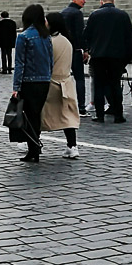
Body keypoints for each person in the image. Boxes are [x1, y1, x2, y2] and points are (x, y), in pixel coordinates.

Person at [12, 4, 54, 162]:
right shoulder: (46, 36)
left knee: (29, 116)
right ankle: (35, 147)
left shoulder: (24, 36)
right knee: (36, 115)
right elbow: (51, 60)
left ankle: (33, 148)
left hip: (29, 82)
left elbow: (20, 64)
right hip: (44, 81)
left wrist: (16, 87)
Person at [83, 0, 132, 123]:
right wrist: (127, 57)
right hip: (117, 57)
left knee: (99, 86)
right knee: (115, 85)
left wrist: (89, 49)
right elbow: (129, 37)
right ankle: (118, 114)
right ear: (113, 1)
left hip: (98, 56)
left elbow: (87, 34)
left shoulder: (95, 15)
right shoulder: (123, 15)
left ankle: (100, 115)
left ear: (101, 2)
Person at [42, 12, 81, 158]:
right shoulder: (66, 41)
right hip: (66, 82)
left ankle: (33, 142)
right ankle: (72, 145)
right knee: (67, 116)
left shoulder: (48, 42)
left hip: (50, 82)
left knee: (39, 113)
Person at [61, 0, 88, 115]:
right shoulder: (77, 13)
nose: (84, 1)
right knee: (79, 79)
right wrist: (85, 49)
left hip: (63, 49)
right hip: (75, 50)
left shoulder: (64, 12)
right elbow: (79, 33)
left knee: (63, 78)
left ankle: (63, 105)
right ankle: (81, 107)